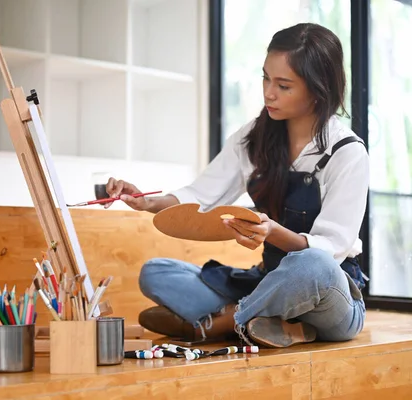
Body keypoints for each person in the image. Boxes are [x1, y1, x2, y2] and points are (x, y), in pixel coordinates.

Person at [105, 23, 369, 348]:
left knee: (312, 265)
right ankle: (272, 323)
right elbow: (200, 195)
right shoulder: (252, 138)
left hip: (329, 295)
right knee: (156, 272)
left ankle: (222, 324)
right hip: (269, 281)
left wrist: (272, 232)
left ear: (318, 89)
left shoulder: (347, 152)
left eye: (283, 85)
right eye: (265, 78)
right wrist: (147, 202)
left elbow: (332, 249)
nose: (268, 93)